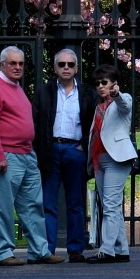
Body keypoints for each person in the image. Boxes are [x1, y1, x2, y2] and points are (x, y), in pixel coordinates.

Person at [0, 46, 65, 266]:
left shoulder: (16, 88)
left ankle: (39, 251)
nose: (17, 67)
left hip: (26, 154)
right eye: (12, 63)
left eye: (20, 63)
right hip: (6, 155)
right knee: (4, 206)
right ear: (2, 64)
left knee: (33, 205)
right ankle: (2, 252)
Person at [33, 47, 97, 262]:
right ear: (55, 68)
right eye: (62, 64)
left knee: (76, 201)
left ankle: (76, 249)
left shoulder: (87, 92)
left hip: (75, 149)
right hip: (51, 149)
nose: (66, 68)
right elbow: (35, 121)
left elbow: (95, 123)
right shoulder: (44, 91)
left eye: (70, 64)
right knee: (48, 202)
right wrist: (41, 148)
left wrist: (84, 146)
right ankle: (48, 249)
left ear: (77, 68)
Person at [86, 64, 138, 264]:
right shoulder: (99, 107)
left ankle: (106, 250)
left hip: (117, 158)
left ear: (114, 84)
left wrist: (116, 94)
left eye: (104, 83)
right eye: (98, 83)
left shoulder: (122, 101)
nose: (101, 86)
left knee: (109, 204)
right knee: (111, 206)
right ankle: (121, 249)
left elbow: (124, 103)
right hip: (100, 160)